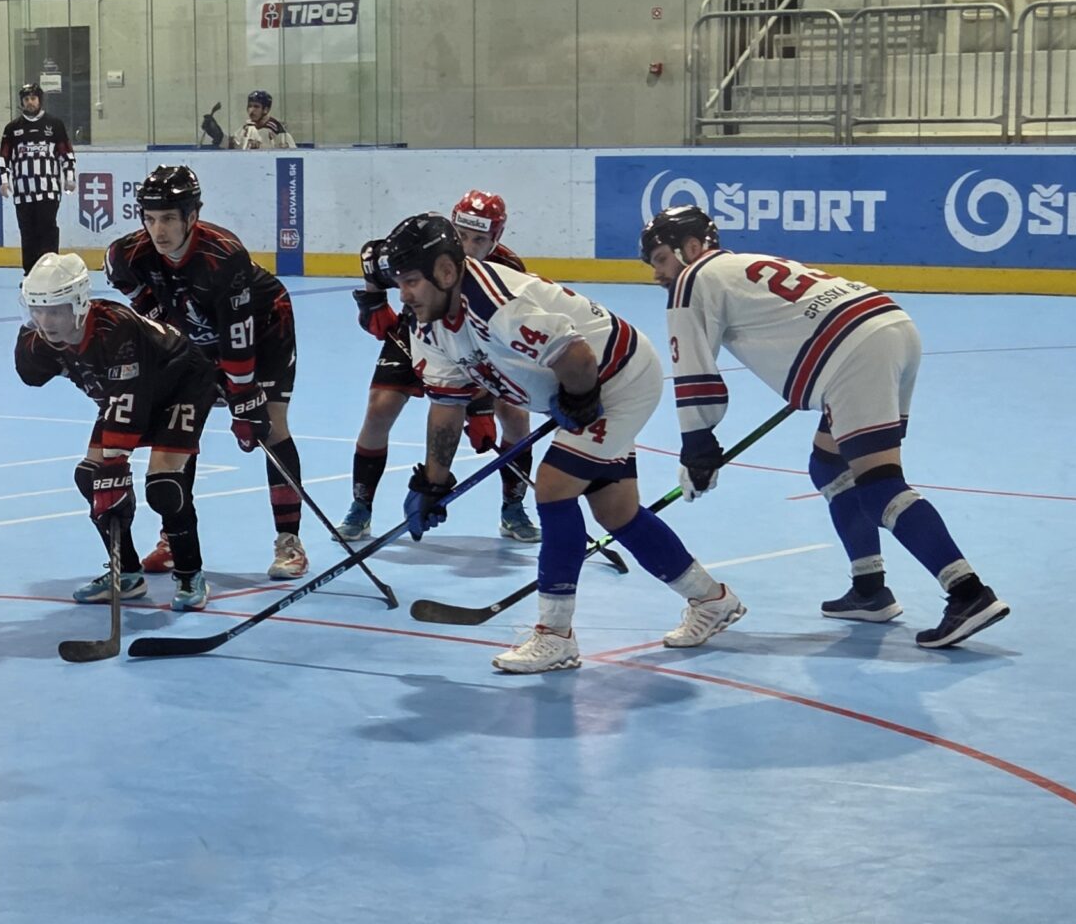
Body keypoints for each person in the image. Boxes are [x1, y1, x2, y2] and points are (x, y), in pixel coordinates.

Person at [389, 212, 745, 674]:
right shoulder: (429, 324)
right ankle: (712, 600)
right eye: (399, 283)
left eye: (411, 281)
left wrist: (580, 399)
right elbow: (446, 405)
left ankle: (555, 636)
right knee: (616, 512)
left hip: (617, 378)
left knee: (554, 486)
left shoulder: (496, 306)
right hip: (585, 381)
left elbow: (576, 355)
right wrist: (433, 483)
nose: (404, 294)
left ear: (444, 271)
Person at [641, 205, 1009, 649]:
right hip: (889, 325)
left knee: (879, 486)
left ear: (691, 247)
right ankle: (869, 589)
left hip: (853, 353)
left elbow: (694, 371)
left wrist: (698, 444)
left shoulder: (691, 279)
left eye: (661, 259)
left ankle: (968, 593)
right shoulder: (742, 264)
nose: (658, 273)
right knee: (829, 466)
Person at [104, 166, 309, 580]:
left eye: (168, 218)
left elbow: (238, 337)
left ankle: (290, 542)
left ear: (192, 216)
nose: (158, 230)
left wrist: (243, 396)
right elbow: (148, 309)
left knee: (270, 426)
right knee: (178, 427)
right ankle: (174, 538)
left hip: (265, 330)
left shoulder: (223, 256)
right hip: (199, 335)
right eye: (150, 218)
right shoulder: (126, 256)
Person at [15, 252, 220, 613]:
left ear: (79, 304)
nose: (45, 322)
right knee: (91, 478)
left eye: (56, 311)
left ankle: (190, 573)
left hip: (181, 386)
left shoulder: (116, 328)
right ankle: (126, 573)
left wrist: (116, 466)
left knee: (164, 485)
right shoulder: (40, 338)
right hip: (128, 394)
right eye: (37, 310)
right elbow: (31, 375)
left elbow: (130, 409)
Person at [339, 190, 539, 545]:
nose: (468, 247)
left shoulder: (507, 270)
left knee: (515, 417)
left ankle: (513, 507)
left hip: (477, 346)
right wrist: (373, 301)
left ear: (496, 238)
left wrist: (479, 404)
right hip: (418, 332)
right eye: (462, 235)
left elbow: (495, 346)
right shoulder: (428, 246)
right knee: (379, 408)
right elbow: (372, 256)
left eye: (479, 240)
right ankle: (361, 505)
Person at [0, 84, 76, 273]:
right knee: (28, 234)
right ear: (22, 102)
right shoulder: (12, 128)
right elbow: (3, 157)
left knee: (48, 232)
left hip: (48, 191)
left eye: (33, 98)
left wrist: (70, 177)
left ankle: (50, 274)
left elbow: (66, 153)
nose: (30, 102)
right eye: (26, 99)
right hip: (23, 193)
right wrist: (3, 181)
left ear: (40, 100)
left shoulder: (54, 124)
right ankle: (31, 275)